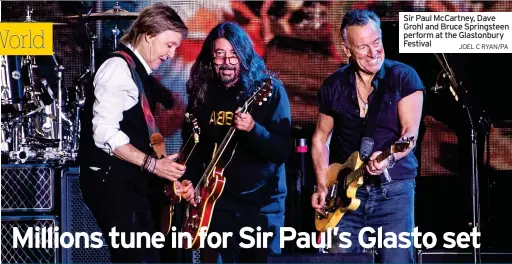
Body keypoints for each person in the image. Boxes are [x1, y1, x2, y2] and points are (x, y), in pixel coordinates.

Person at [77, 3, 194, 262]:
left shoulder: (138, 72)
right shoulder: (117, 68)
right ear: (149, 35)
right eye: (169, 45)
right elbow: (105, 133)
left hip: (131, 180)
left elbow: (145, 131)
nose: (172, 54)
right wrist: (153, 165)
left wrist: (166, 170)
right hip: (112, 182)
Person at [310, 10, 424, 263]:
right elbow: (320, 139)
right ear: (346, 49)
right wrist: (321, 185)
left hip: (393, 191)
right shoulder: (333, 85)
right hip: (343, 195)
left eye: (377, 42)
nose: (374, 53)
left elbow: (410, 134)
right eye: (363, 47)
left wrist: (389, 159)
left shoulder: (403, 77)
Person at [182, 21, 291, 262]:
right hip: (216, 205)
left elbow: (282, 151)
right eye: (220, 54)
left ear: (244, 56)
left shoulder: (269, 90)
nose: (227, 62)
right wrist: (190, 182)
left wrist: (253, 129)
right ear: (211, 58)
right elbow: (193, 145)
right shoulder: (203, 91)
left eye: (234, 54)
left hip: (262, 206)